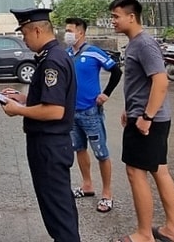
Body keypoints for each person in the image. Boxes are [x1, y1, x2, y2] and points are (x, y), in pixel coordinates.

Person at [0, 7, 79, 242]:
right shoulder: (54, 55)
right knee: (60, 207)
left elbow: (55, 110)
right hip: (51, 145)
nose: (24, 39)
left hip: (49, 145)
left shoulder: (52, 61)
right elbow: (52, 98)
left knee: (58, 213)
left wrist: (19, 110)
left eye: (24, 33)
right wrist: (24, 98)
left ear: (36, 30)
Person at [109, 0, 174, 242]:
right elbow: (141, 84)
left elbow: (161, 82)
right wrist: (130, 109)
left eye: (116, 16)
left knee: (135, 171)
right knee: (159, 170)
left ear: (132, 17)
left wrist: (146, 116)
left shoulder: (143, 44)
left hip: (148, 121)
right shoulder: (135, 43)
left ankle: (144, 234)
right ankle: (172, 230)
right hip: (146, 116)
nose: (113, 21)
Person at [64, 16, 122, 213]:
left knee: (101, 153)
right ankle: (87, 185)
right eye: (66, 30)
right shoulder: (66, 54)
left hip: (91, 112)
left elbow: (116, 72)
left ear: (81, 32)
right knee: (79, 149)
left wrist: (106, 94)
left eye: (70, 30)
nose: (67, 34)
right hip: (72, 112)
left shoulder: (94, 52)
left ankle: (107, 194)